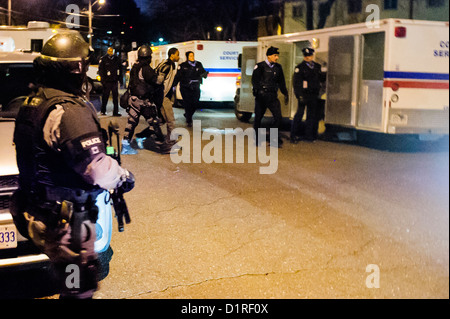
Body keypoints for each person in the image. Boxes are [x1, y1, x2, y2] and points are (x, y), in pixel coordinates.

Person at [11, 32, 135, 299]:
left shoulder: (32, 103)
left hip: (40, 210)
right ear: (76, 68)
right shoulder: (67, 110)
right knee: (78, 287)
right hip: (68, 222)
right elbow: (97, 168)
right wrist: (123, 176)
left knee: (71, 282)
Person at [121, 44, 168, 155]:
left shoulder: (135, 67)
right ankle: (162, 145)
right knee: (154, 122)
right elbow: (156, 81)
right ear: (148, 57)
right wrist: (162, 74)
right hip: (143, 101)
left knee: (131, 124)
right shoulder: (146, 68)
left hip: (133, 100)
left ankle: (125, 146)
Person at [135, 47, 180, 145]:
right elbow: (158, 80)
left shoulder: (171, 65)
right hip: (163, 96)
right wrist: (159, 94)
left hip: (164, 95)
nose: (179, 57)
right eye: (177, 54)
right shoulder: (166, 65)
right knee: (170, 120)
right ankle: (171, 142)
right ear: (172, 55)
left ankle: (145, 133)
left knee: (161, 119)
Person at [252, 46, 289, 147]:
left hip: (272, 96)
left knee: (278, 118)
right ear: (269, 56)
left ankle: (273, 140)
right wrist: (258, 92)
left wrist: (285, 93)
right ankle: (257, 139)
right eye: (275, 55)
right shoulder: (260, 66)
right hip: (261, 97)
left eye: (277, 56)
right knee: (258, 118)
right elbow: (254, 81)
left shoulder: (278, 67)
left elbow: (281, 82)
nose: (277, 58)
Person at [291, 47, 323, 143]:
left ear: (312, 56)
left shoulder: (317, 66)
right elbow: (296, 83)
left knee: (311, 116)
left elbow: (320, 79)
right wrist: (299, 96)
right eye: (306, 56)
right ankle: (293, 135)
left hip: (313, 95)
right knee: (299, 115)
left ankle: (308, 135)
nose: (307, 57)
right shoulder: (300, 68)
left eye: (309, 56)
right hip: (303, 95)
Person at [173, 51, 208, 126]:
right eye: (190, 56)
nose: (192, 57)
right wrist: (174, 85)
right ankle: (189, 119)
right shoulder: (183, 65)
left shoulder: (198, 64)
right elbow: (178, 76)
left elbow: (203, 72)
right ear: (187, 57)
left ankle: (188, 114)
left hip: (195, 86)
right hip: (185, 87)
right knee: (187, 103)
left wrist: (205, 74)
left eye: (193, 55)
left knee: (195, 103)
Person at [99, 47, 121, 116]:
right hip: (107, 81)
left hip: (114, 81)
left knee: (115, 97)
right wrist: (103, 81)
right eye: (109, 51)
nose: (111, 53)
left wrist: (119, 79)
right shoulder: (103, 59)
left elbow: (120, 69)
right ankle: (103, 111)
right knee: (105, 96)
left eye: (112, 51)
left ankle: (115, 112)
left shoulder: (117, 59)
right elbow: (101, 70)